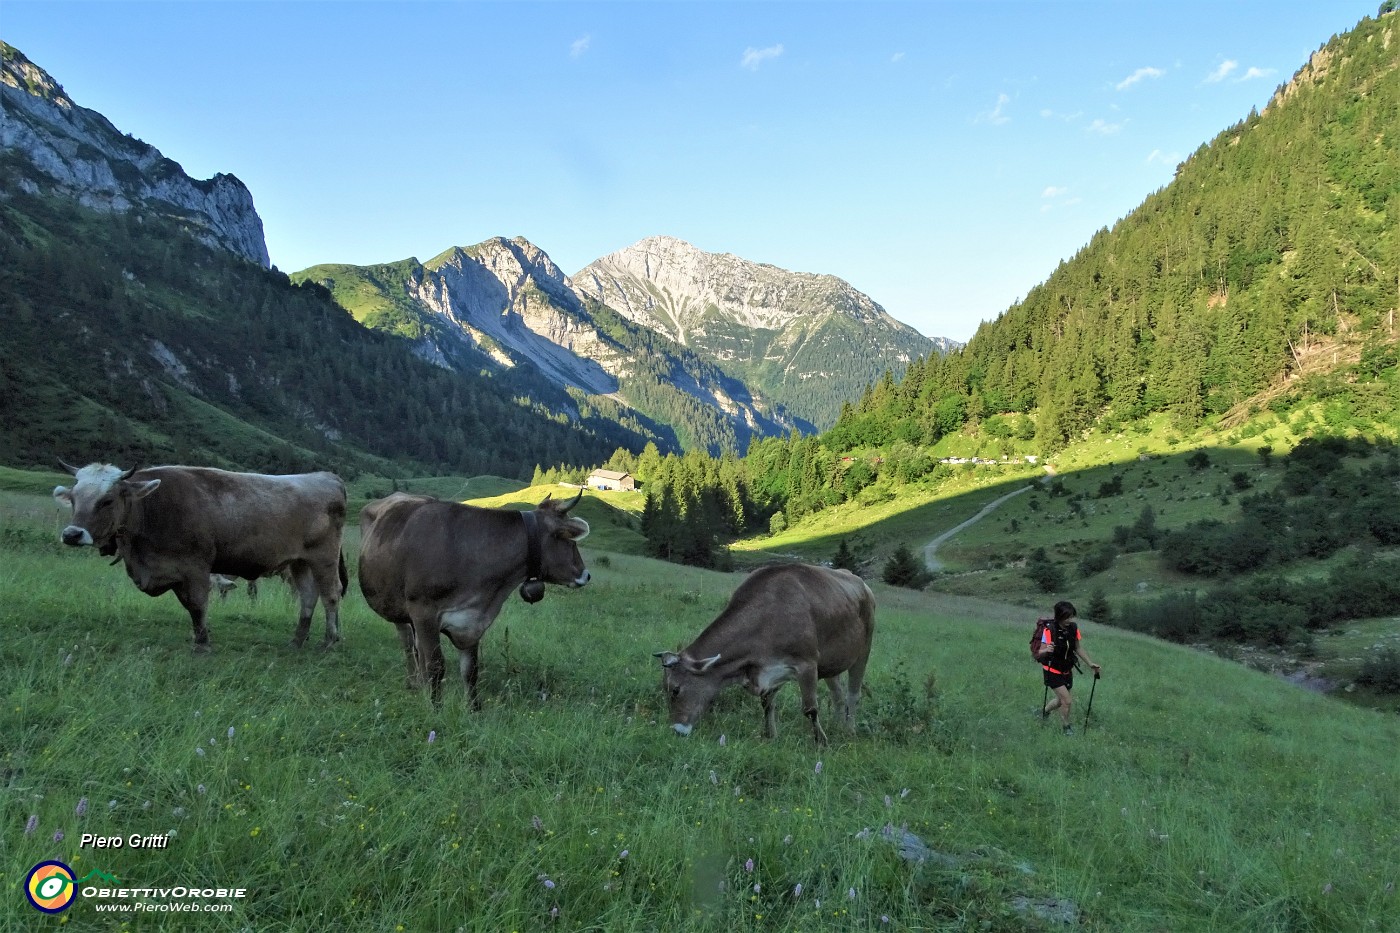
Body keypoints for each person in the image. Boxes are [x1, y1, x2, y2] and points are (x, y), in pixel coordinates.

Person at [1036, 600, 1101, 735]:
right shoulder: (1049, 629)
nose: (1069, 620)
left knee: (1060, 701)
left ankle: (1044, 712)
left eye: (1071, 616)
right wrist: (1046, 649)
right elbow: (1039, 651)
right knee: (1067, 700)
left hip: (1067, 669)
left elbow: (1077, 647)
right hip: (1052, 670)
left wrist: (1090, 663)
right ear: (1059, 616)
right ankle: (1066, 728)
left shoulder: (1073, 628)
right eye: (1066, 617)